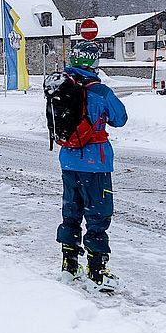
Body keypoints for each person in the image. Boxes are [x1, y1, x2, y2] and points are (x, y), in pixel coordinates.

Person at [56, 41, 128, 291]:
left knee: (71, 210)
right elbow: (120, 118)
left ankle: (69, 264)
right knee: (98, 214)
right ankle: (97, 269)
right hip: (95, 163)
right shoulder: (100, 91)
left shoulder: (61, 87)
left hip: (68, 159)